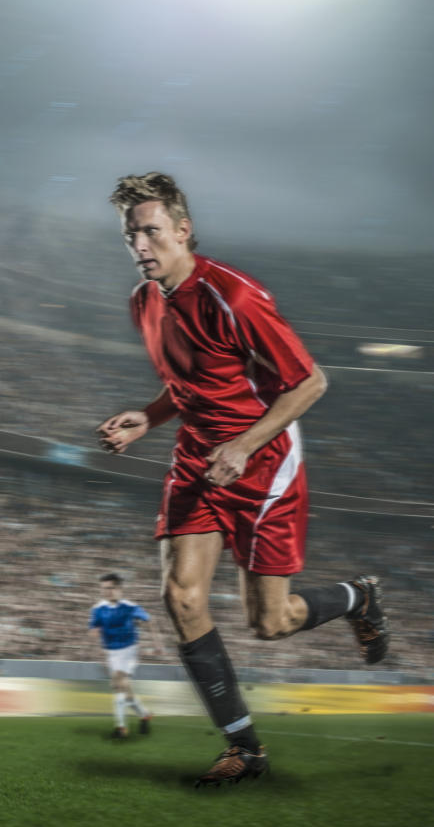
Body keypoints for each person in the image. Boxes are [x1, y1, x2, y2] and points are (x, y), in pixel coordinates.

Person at [96, 172, 390, 788]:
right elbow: (189, 383)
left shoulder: (236, 296)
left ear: (183, 230)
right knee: (181, 597)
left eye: (151, 231)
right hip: (198, 462)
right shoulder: (143, 301)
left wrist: (246, 442)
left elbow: (309, 382)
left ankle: (357, 597)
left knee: (270, 622)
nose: (140, 245)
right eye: (131, 235)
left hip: (263, 466)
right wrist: (147, 417)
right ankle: (243, 748)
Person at [89, 572, 153, 739]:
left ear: (119, 589)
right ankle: (144, 714)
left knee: (119, 682)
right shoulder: (98, 609)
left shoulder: (130, 607)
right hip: (111, 653)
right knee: (124, 690)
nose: (107, 591)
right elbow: (95, 631)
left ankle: (121, 728)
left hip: (129, 651)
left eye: (111, 588)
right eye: (104, 588)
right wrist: (97, 652)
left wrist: (157, 643)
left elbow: (149, 620)